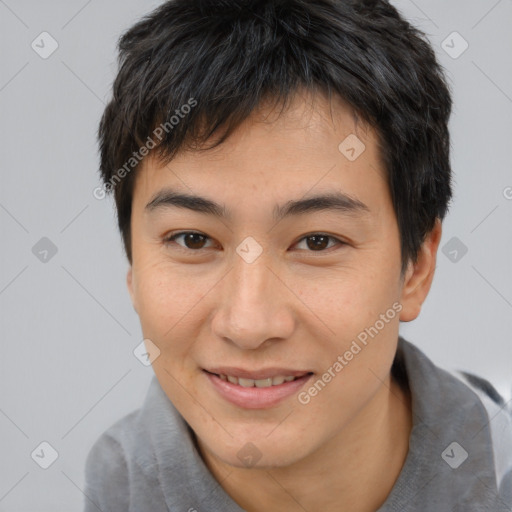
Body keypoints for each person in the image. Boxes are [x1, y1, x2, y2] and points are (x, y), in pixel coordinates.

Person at [84, 0, 512, 510]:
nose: (248, 323)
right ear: (134, 267)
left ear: (415, 269)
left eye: (317, 241)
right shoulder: (116, 489)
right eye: (193, 240)